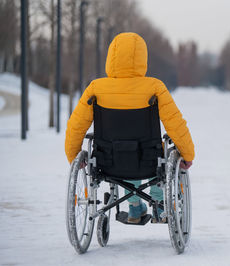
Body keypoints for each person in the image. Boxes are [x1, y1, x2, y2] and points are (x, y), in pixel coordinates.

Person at [65, 32, 195, 224]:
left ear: (111, 57)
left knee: (124, 151)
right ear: (143, 58)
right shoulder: (154, 87)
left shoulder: (96, 88)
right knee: (150, 152)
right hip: (148, 160)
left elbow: (76, 125)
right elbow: (175, 123)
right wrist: (187, 154)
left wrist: (73, 154)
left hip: (108, 161)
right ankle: (159, 203)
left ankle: (134, 208)